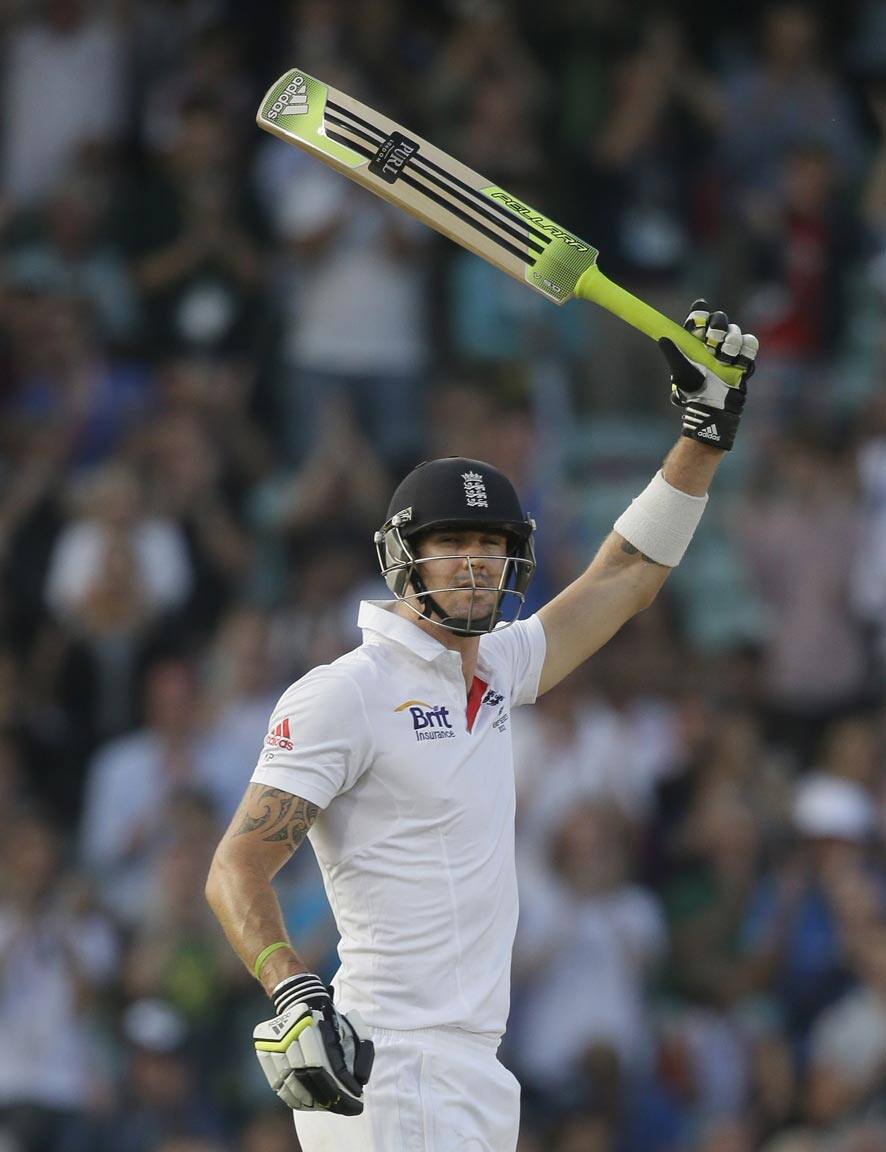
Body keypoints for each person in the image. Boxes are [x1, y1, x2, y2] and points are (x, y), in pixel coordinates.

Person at [205, 302, 759, 1151]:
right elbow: (236, 867)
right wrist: (293, 993)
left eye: (492, 543)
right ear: (402, 556)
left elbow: (628, 574)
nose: (475, 562)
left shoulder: (498, 670)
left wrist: (703, 433)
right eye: (451, 541)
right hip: (390, 1059)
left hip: (471, 1064)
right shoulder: (344, 693)